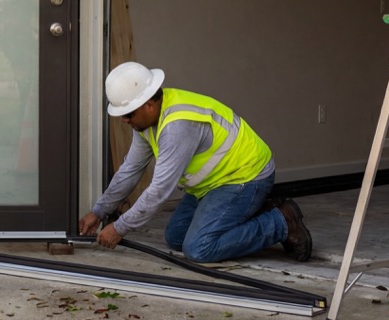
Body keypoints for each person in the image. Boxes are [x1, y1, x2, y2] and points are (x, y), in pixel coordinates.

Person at [78, 61, 313, 263]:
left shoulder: (177, 127)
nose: (125, 120)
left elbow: (159, 190)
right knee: (176, 237)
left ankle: (281, 222)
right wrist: (99, 211)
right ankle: (252, 211)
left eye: (128, 114)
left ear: (149, 105)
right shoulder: (146, 123)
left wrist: (120, 228)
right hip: (211, 184)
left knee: (199, 248)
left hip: (244, 177)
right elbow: (130, 170)